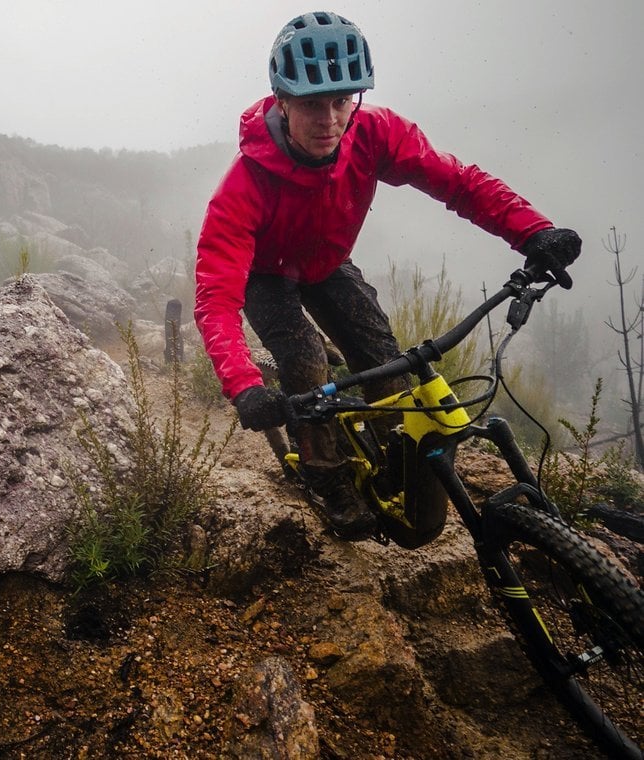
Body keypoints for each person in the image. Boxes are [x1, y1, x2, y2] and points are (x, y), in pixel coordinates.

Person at [193, 10, 581, 537]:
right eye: (311, 103)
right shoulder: (244, 186)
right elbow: (216, 298)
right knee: (305, 362)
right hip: (266, 275)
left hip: (328, 265)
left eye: (341, 100)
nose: (330, 119)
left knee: (387, 366)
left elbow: (457, 182)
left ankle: (392, 458)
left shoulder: (373, 133)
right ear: (281, 101)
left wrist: (533, 231)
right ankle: (326, 476)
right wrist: (243, 386)